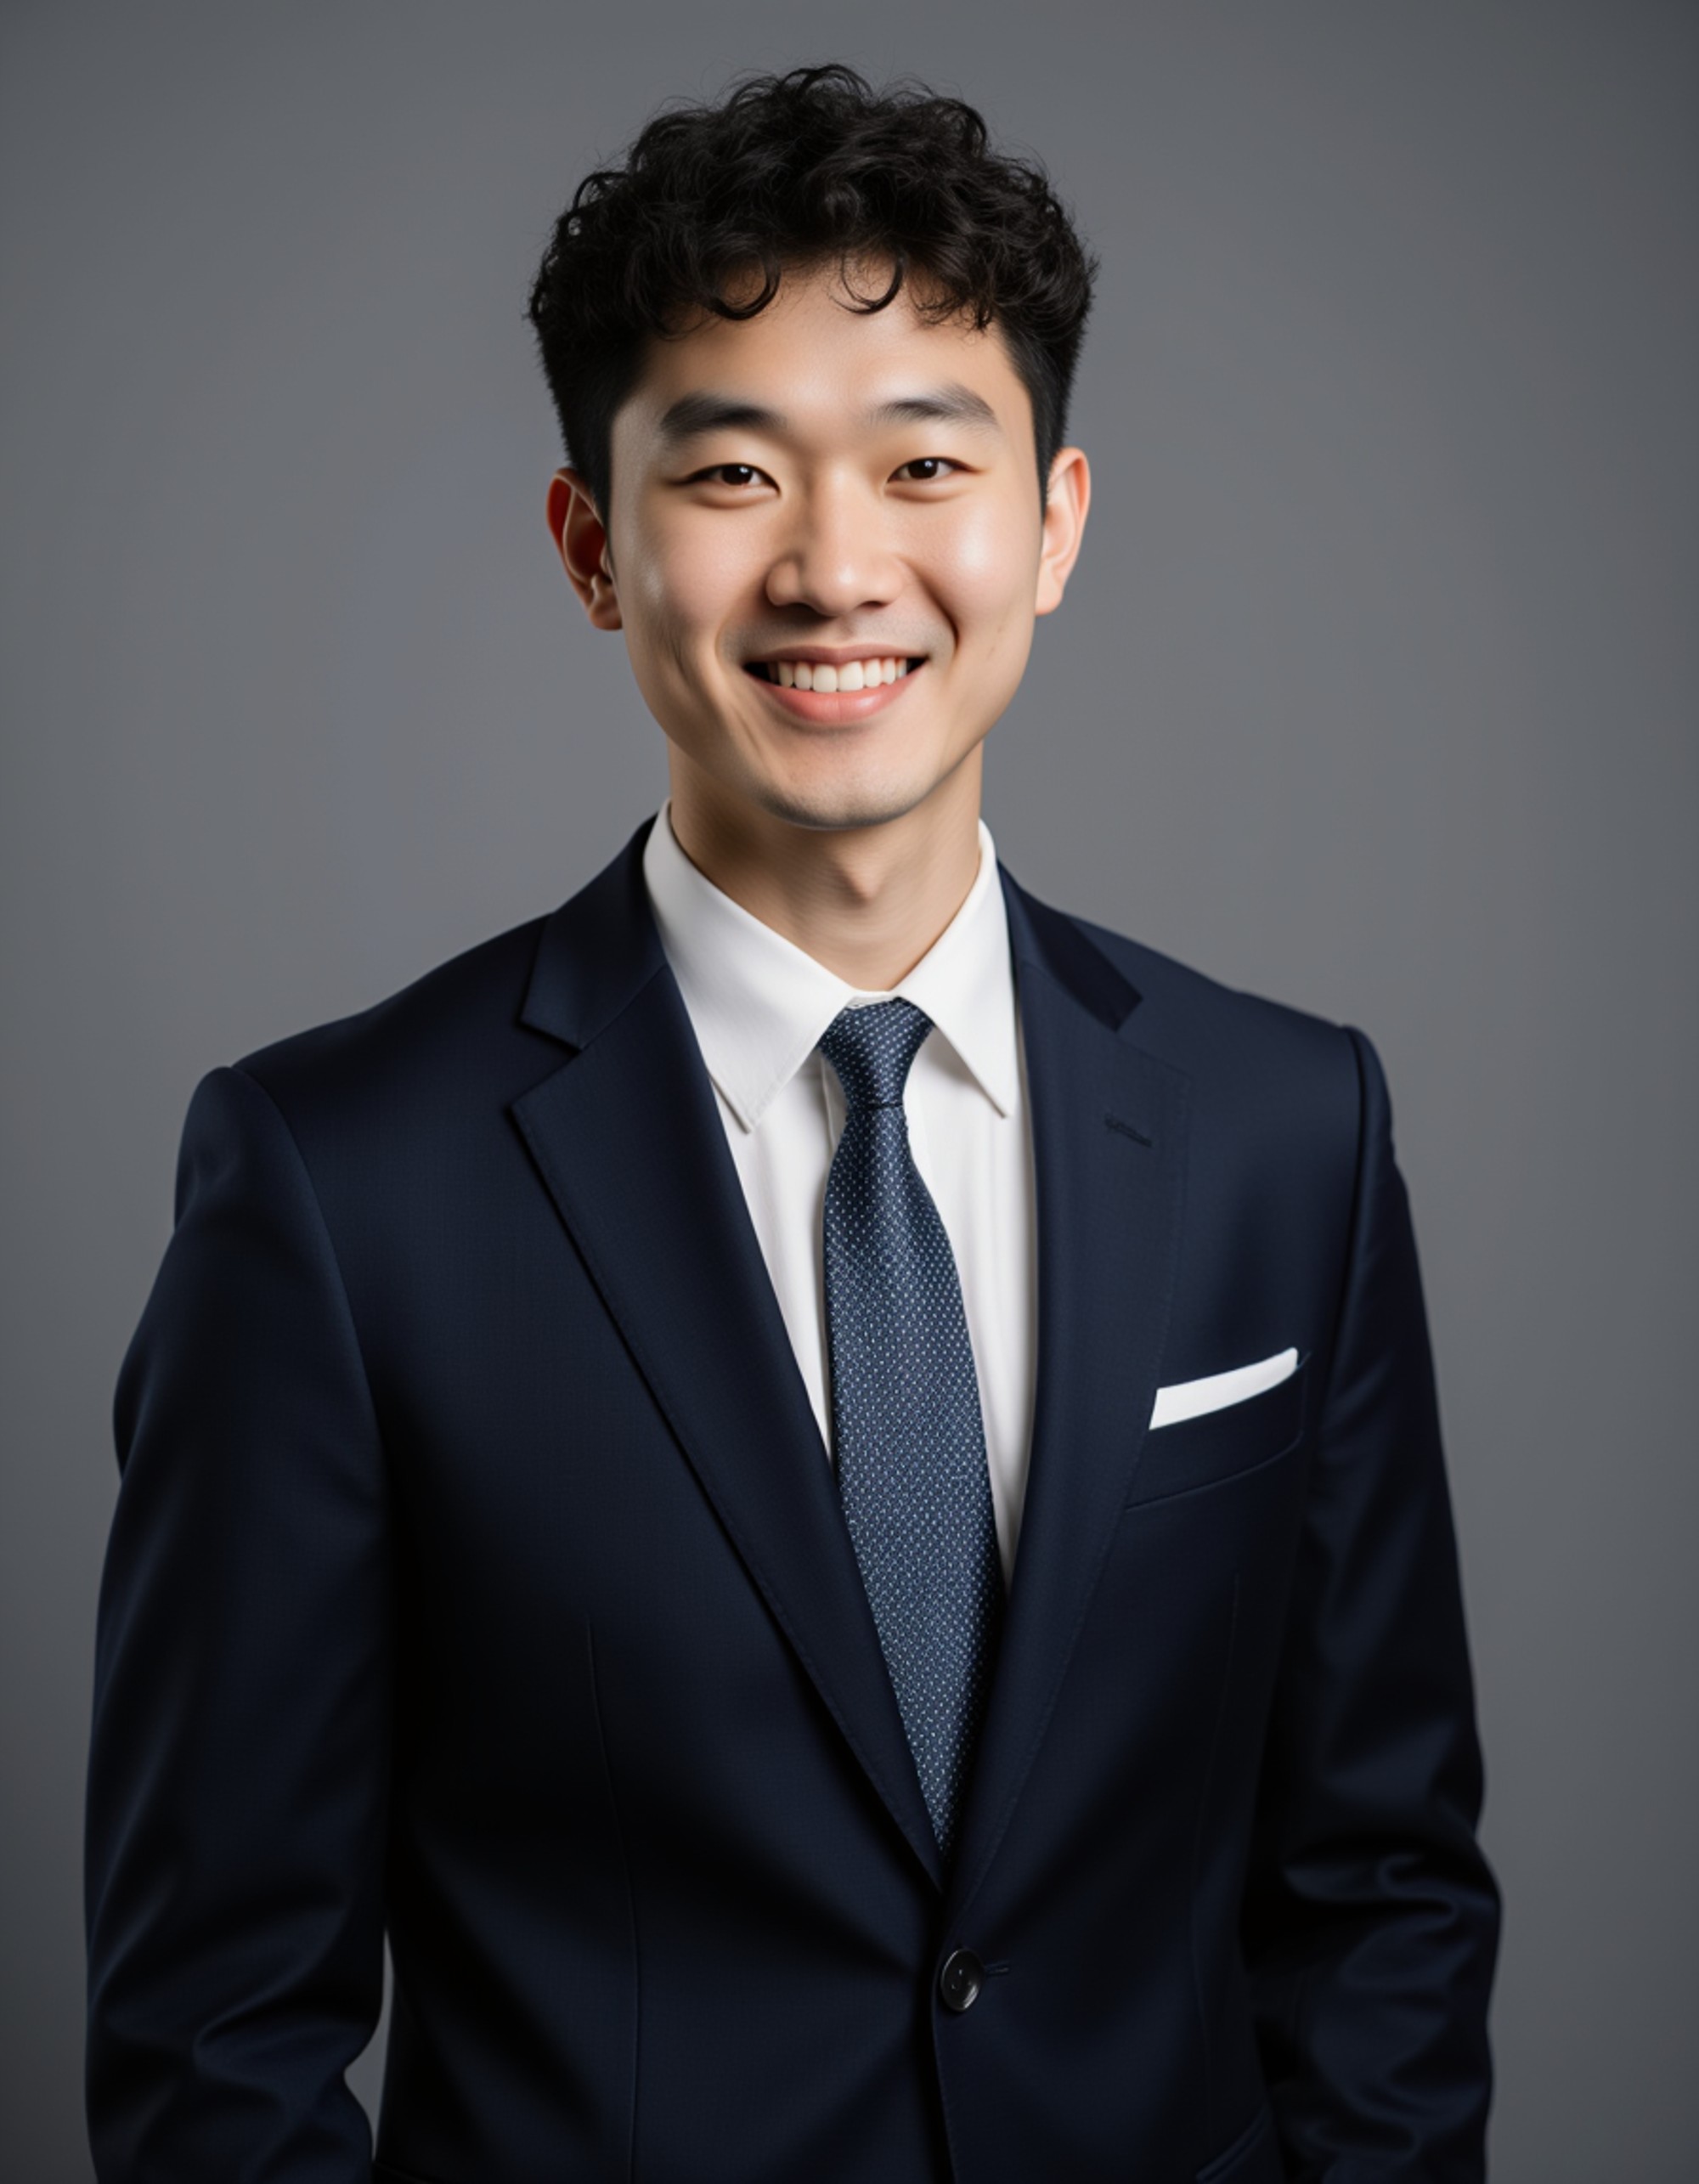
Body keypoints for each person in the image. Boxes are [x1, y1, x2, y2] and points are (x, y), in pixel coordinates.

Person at [85, 64, 1499, 2184]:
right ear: (593, 547)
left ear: (1054, 521)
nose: (839, 566)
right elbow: (215, 2029)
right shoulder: (336, 1187)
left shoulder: (1287, 1130)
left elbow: (1380, 1886)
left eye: (926, 461)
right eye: (733, 472)